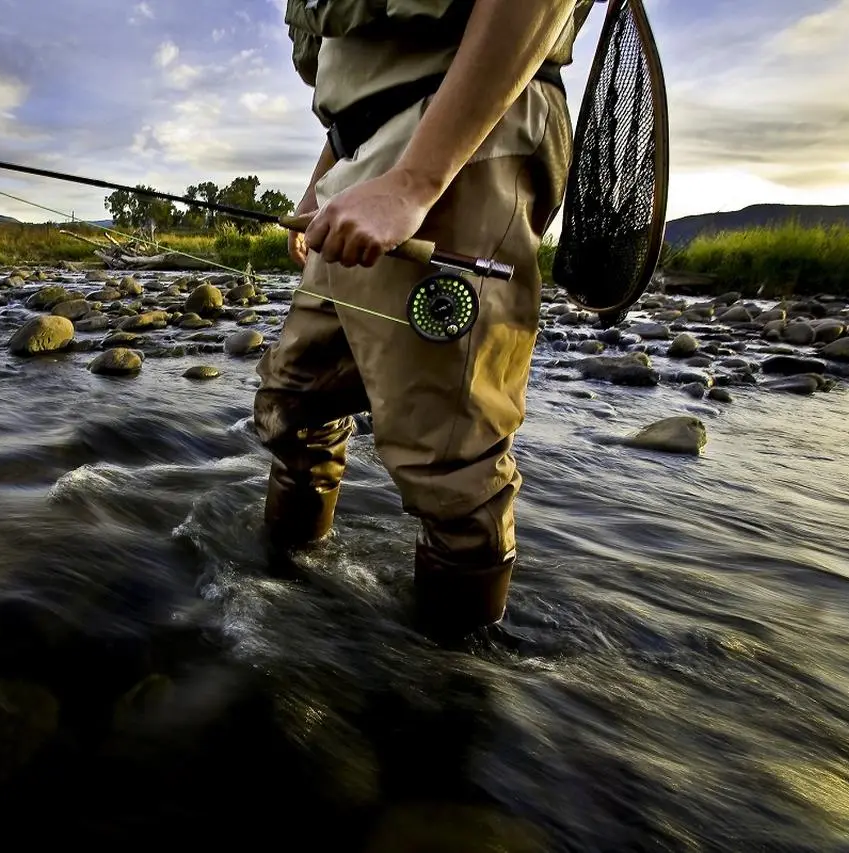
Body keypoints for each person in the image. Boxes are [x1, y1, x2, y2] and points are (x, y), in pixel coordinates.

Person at [254, 0, 596, 649]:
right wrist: (318, 191)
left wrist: (416, 181)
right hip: (361, 166)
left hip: (462, 145)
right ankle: (278, 604)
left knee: (451, 468)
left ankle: (450, 692)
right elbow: (357, 90)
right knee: (294, 403)